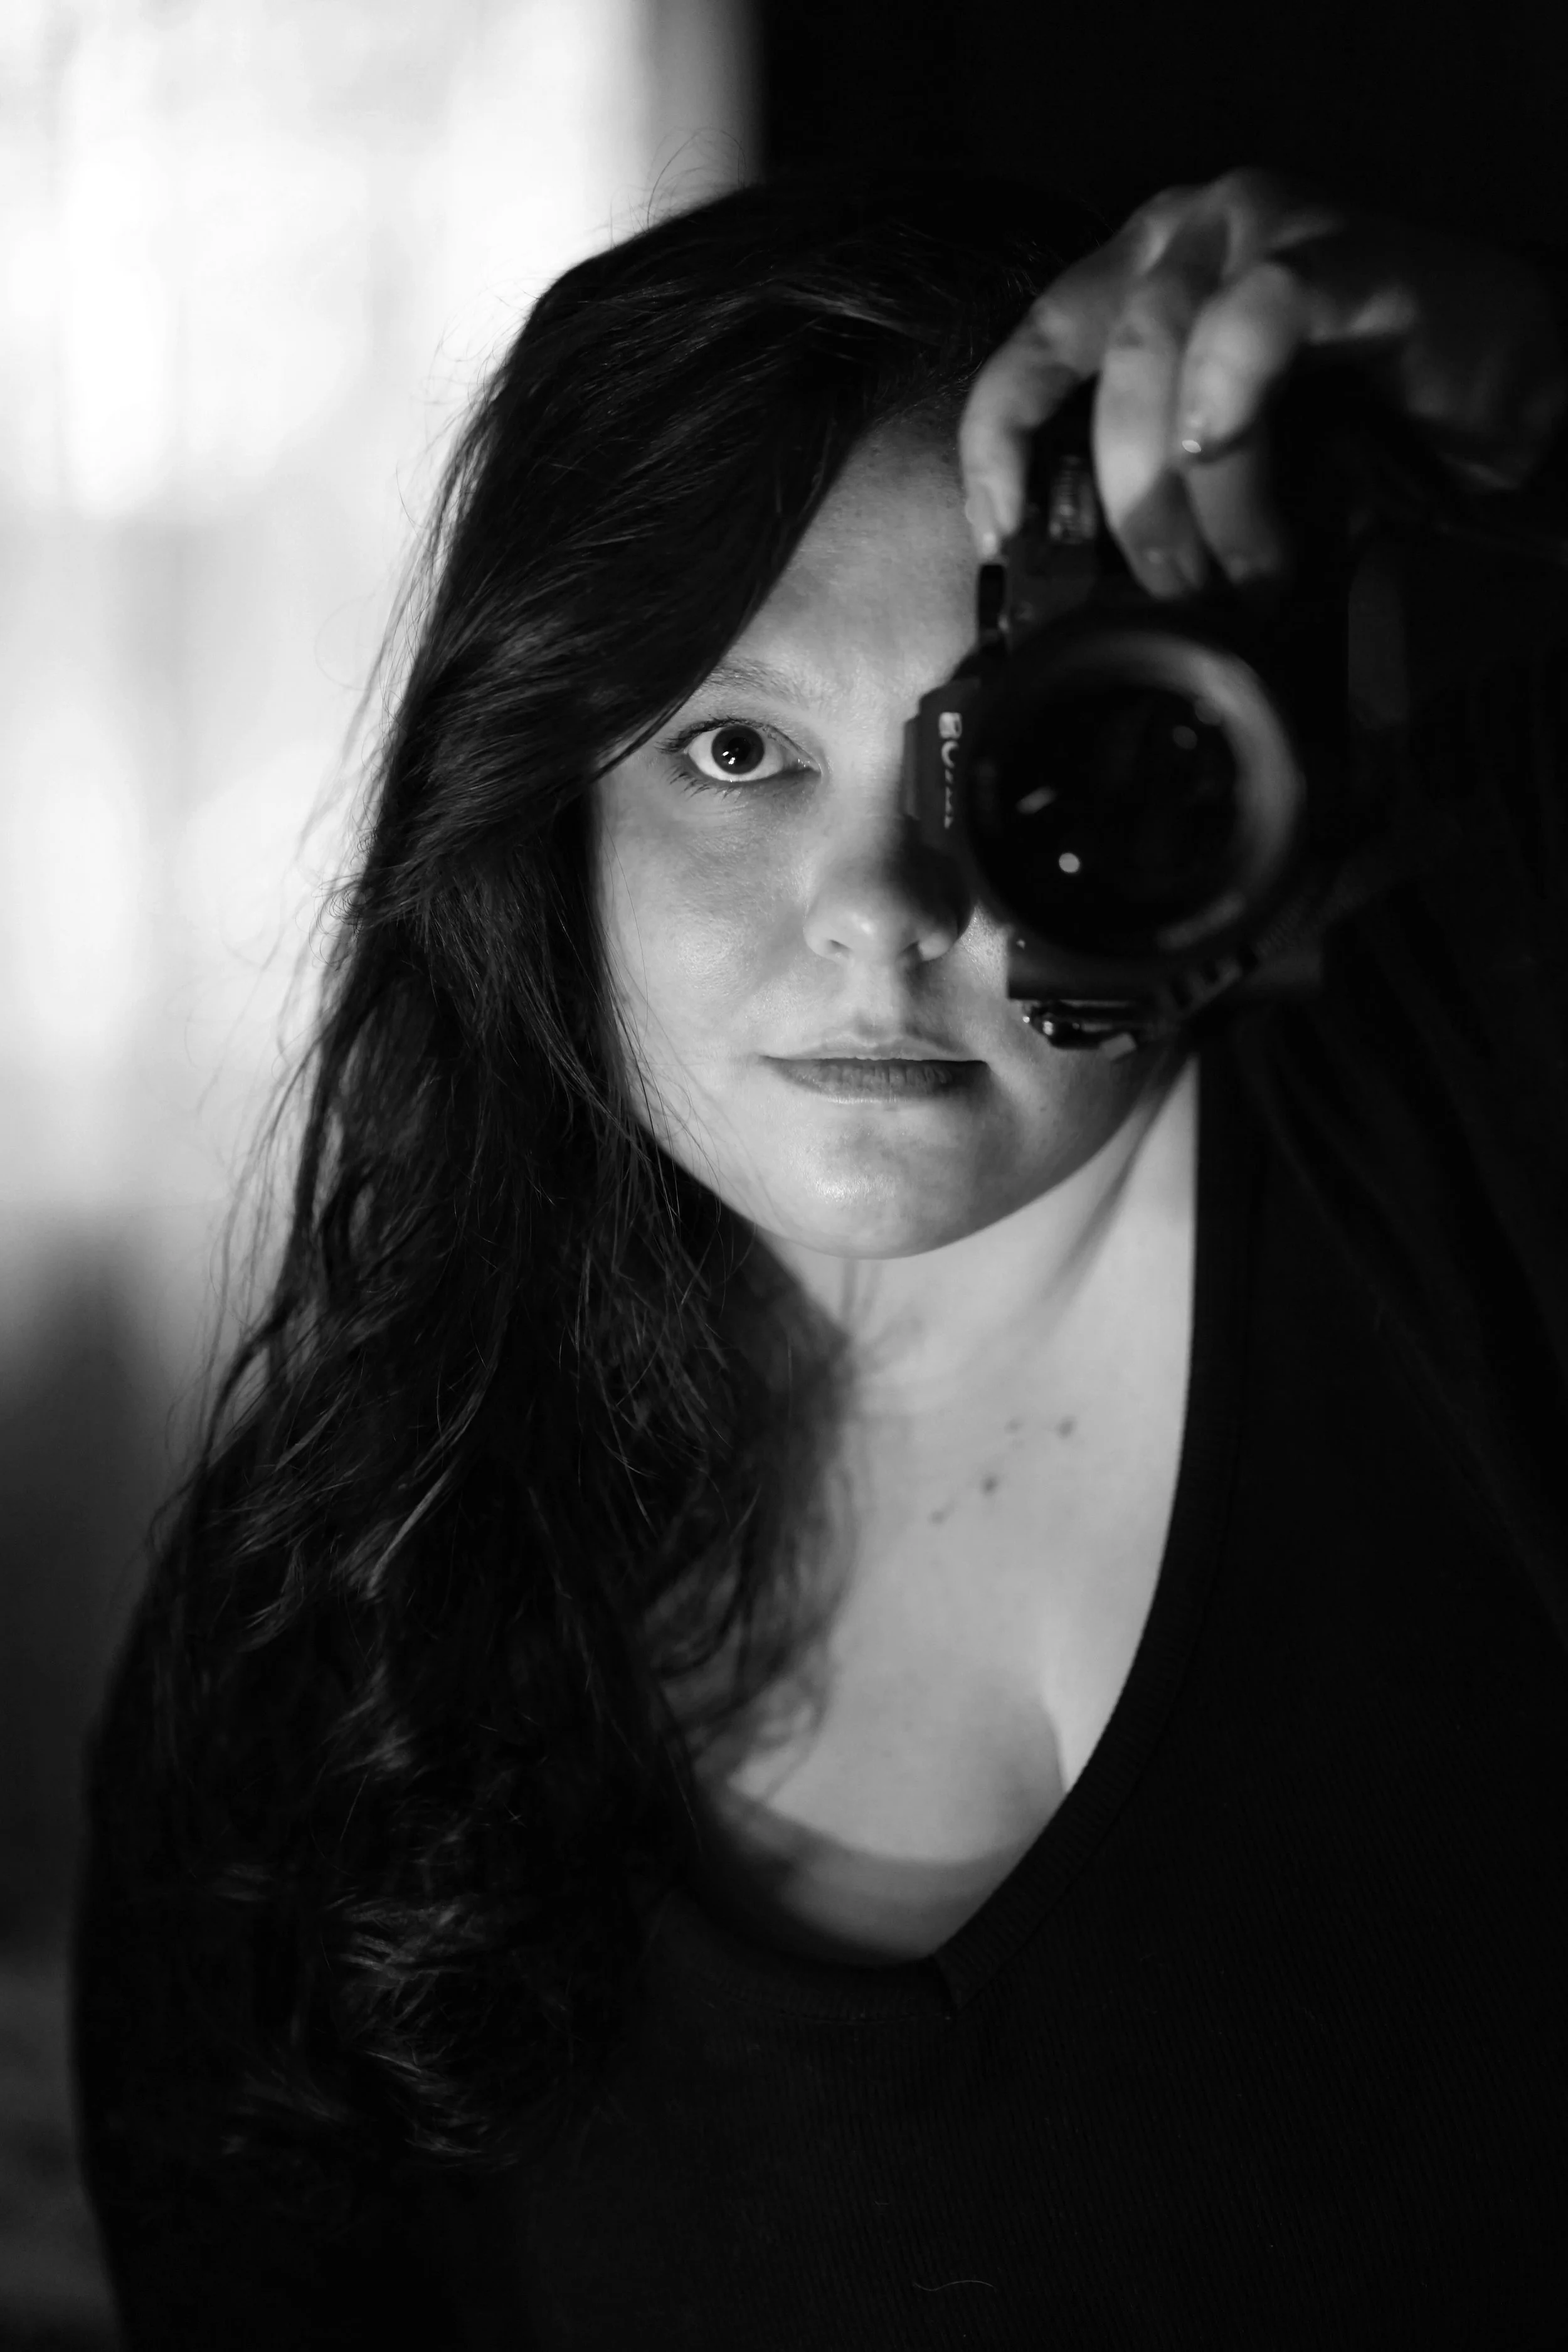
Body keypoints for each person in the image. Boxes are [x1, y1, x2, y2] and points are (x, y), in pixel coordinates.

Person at [72, 161, 1568, 2348]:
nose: (881, 906)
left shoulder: (1483, 1120)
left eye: (1004, 751)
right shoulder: (325, 1613)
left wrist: (1545, 398)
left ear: (1207, 759)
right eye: (735, 748)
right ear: (545, 822)